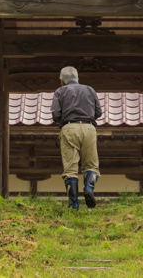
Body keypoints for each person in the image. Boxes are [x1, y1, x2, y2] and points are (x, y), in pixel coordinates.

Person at [51, 66, 102, 210]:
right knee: (91, 165)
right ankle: (89, 188)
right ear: (78, 79)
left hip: (69, 127)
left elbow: (55, 115)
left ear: (62, 81)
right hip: (89, 127)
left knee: (70, 169)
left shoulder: (60, 91)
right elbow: (98, 112)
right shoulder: (90, 90)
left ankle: (74, 204)